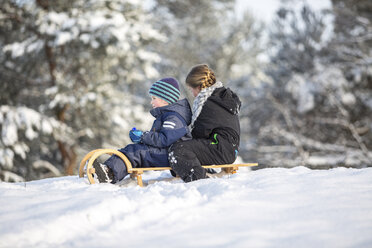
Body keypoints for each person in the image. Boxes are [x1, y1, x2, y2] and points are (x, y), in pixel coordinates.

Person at [93, 77, 192, 183]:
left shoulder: (174, 118)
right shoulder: (167, 115)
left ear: (165, 99)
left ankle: (110, 173)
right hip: (165, 152)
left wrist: (143, 136)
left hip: (172, 154)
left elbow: (164, 139)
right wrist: (141, 138)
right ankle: (107, 169)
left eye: (154, 98)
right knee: (135, 149)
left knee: (136, 151)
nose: (151, 101)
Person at [168, 64, 241, 182]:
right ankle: (203, 171)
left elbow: (199, 133)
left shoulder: (207, 103)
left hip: (221, 149)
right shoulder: (220, 97)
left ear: (200, 86)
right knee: (185, 148)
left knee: (178, 149)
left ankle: (199, 179)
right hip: (229, 149)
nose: (192, 93)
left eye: (192, 89)